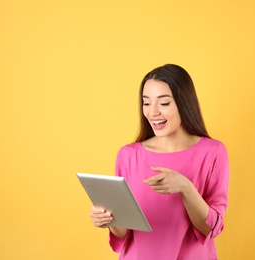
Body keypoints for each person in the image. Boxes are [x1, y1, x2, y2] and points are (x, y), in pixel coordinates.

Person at [90, 64, 229, 259]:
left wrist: (185, 187)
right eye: (146, 103)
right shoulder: (128, 155)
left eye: (163, 103)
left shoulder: (213, 152)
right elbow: (122, 232)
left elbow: (211, 229)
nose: (152, 112)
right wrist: (108, 219)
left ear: (184, 103)